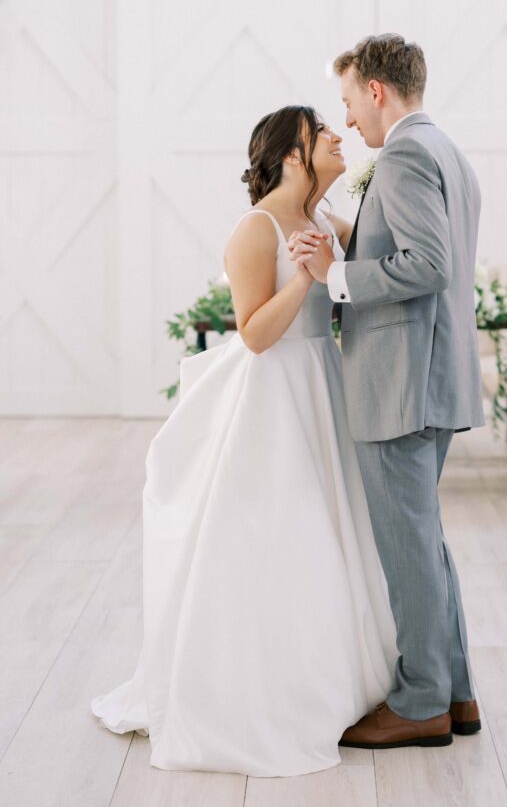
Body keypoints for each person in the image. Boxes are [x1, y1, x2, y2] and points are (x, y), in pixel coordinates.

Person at [90, 104, 401, 776]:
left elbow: (370, 259)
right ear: (293, 154)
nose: (336, 137)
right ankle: (262, 691)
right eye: (323, 134)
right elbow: (255, 334)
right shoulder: (255, 229)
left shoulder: (320, 219)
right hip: (275, 393)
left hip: (321, 387)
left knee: (331, 533)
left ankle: (339, 675)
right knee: (281, 535)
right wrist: (305, 279)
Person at [289, 32, 485, 749]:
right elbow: (417, 246)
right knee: (423, 543)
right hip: (432, 375)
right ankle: (455, 694)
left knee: (407, 549)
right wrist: (351, 231)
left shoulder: (401, 154)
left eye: (348, 101)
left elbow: (425, 265)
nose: (347, 121)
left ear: (376, 90)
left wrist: (332, 278)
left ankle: (420, 701)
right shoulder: (445, 151)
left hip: (399, 384)